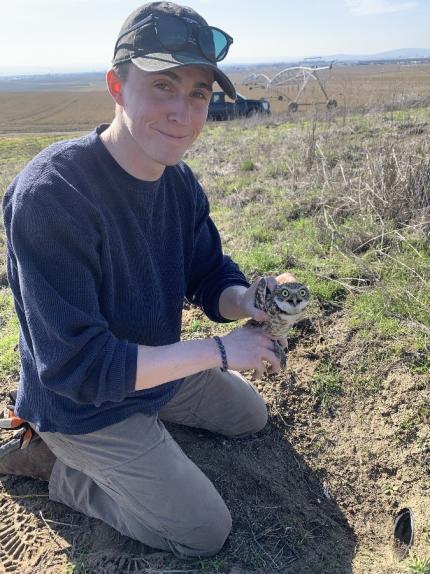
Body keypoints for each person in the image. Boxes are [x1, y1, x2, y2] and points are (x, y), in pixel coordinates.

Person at [1, 1, 292, 558]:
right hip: (81, 406)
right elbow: (80, 368)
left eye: (199, 93)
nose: (183, 112)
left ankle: (150, 415)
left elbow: (210, 276)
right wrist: (221, 351)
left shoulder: (178, 183)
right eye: (164, 85)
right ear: (117, 84)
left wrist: (250, 300)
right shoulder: (52, 197)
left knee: (249, 416)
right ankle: (48, 463)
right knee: (202, 532)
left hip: (151, 369)